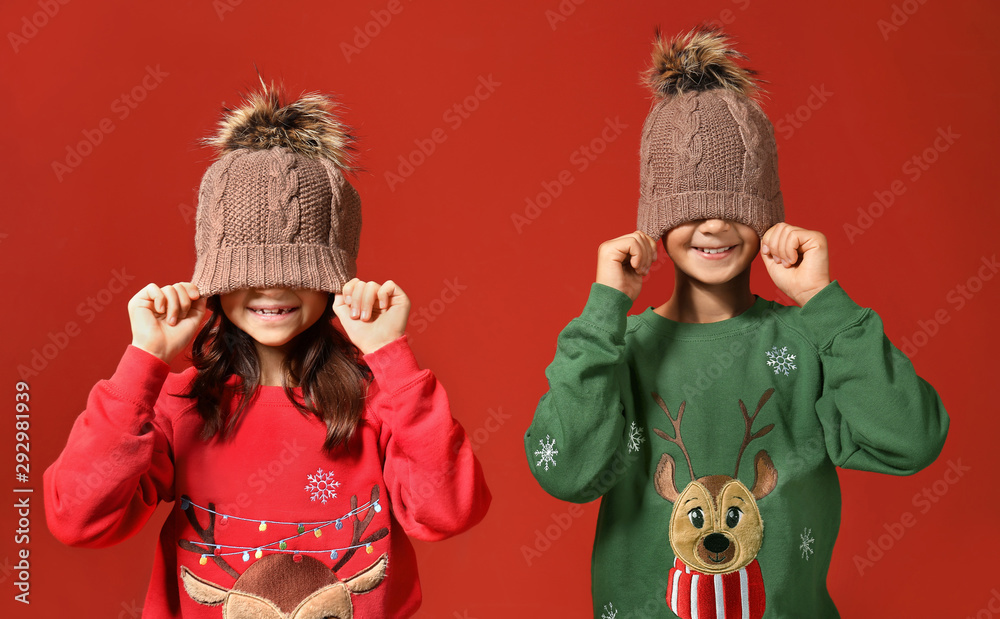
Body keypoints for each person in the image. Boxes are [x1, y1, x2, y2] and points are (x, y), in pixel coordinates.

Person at [523, 25, 948, 618]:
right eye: (690, 209)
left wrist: (824, 300)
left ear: (768, 214)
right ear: (655, 221)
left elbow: (913, 439)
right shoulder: (617, 348)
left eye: (735, 206)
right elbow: (564, 471)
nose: (714, 226)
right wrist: (603, 309)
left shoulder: (808, 339)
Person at [43, 78, 491, 618]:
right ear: (214, 280)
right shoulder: (179, 406)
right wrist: (143, 364)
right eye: (246, 271)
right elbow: (76, 518)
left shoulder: (380, 402)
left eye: (298, 269)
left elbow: (449, 512)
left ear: (332, 277)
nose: (271, 289)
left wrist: (391, 355)